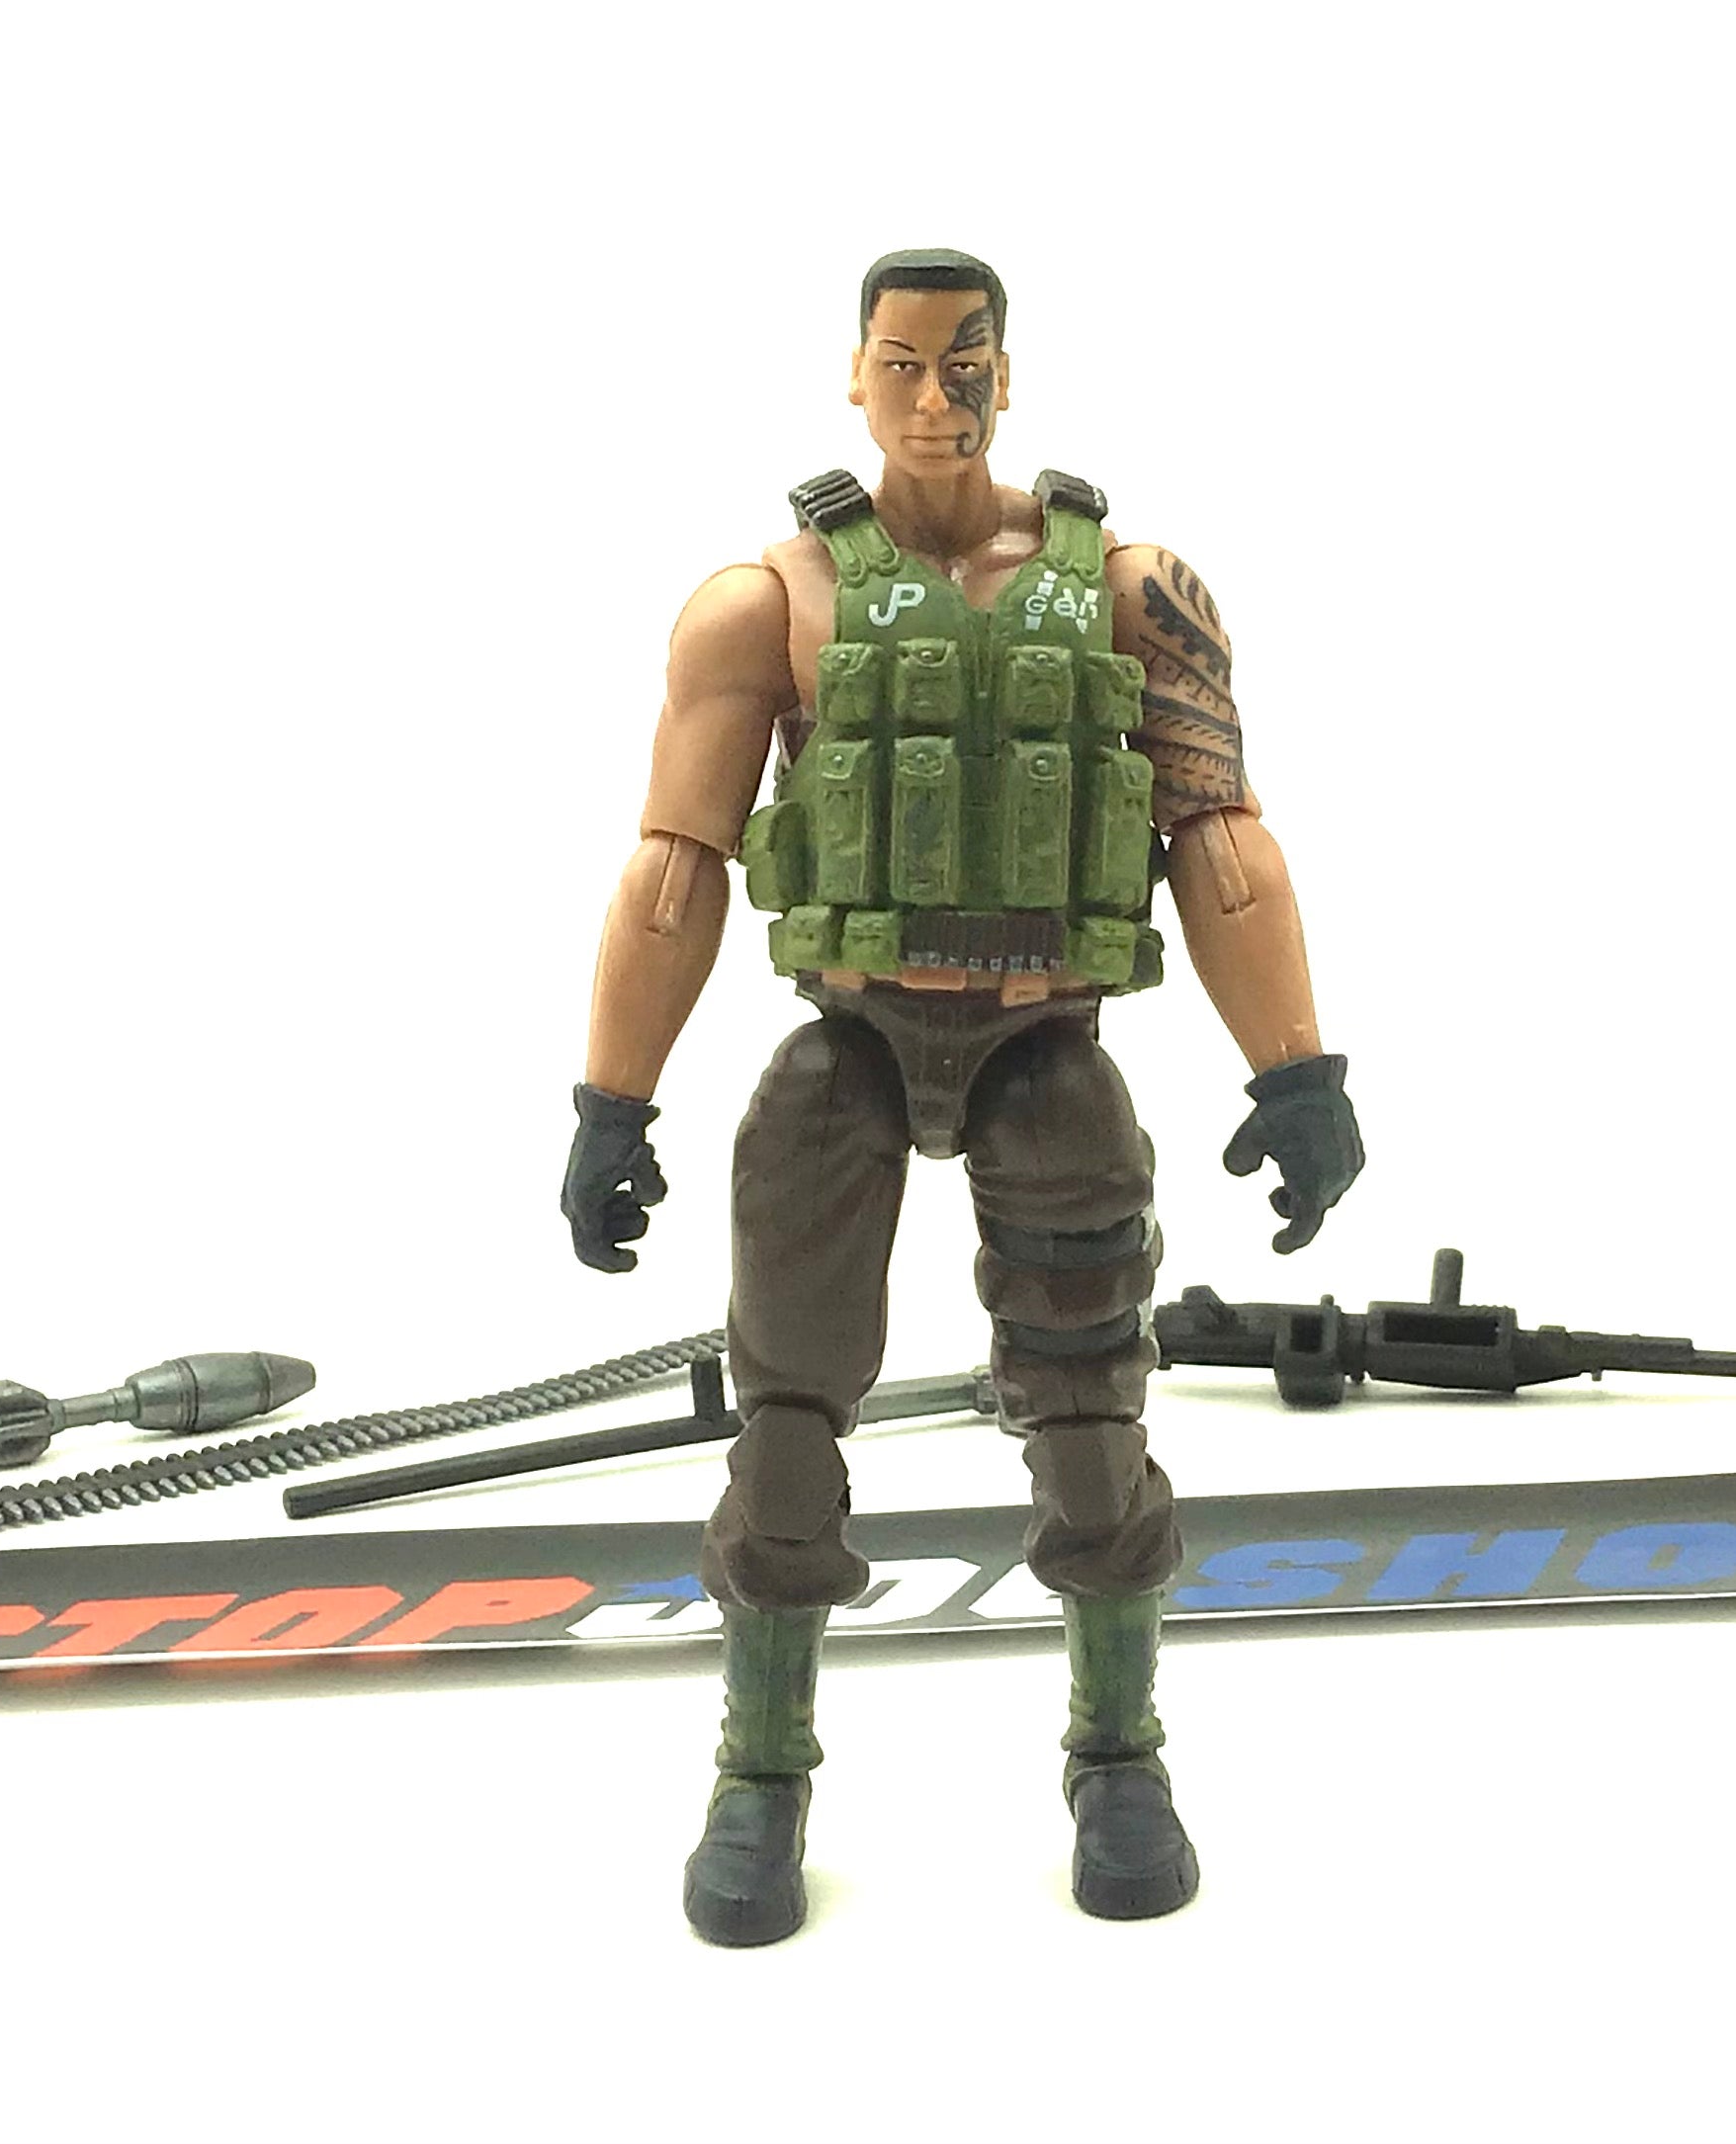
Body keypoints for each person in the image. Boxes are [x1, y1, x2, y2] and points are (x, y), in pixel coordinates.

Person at [563, 248, 1364, 1945]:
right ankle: (760, 1768)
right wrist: (610, 1104)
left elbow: (1219, 840)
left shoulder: (1131, 587)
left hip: (1045, 1046)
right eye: (903, 362)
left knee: (1089, 1417)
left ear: (1012, 374)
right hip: (846, 1044)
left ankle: (1118, 1753)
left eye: (967, 362)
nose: (937, 397)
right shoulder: (763, 600)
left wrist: (1296, 1071)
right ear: (852, 379)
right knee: (786, 1422)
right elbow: (673, 865)